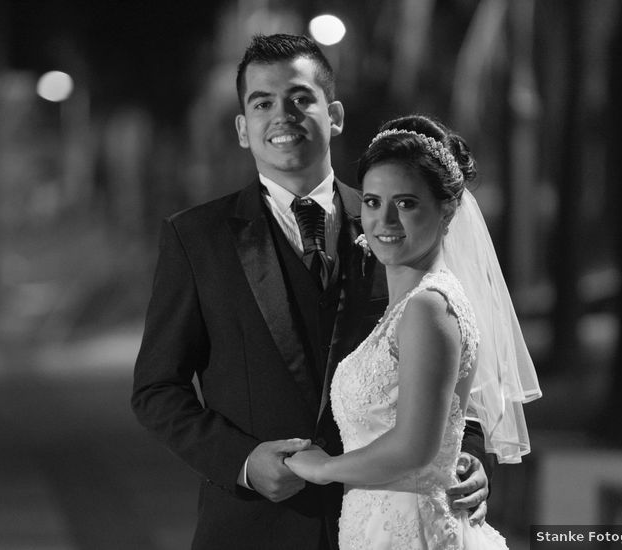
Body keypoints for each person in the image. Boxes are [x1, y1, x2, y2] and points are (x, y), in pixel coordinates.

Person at [131, 35, 492, 550]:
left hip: (387, 523)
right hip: (252, 527)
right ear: (242, 128)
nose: (283, 116)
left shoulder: (397, 223)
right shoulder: (196, 240)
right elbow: (156, 389)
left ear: (335, 114)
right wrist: (243, 463)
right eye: (262, 103)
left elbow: (456, 365)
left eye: (301, 99)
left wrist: (470, 452)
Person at [284, 114, 542, 549]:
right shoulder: (409, 300)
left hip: (411, 530)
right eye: (371, 202)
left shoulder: (430, 307)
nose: (384, 220)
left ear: (447, 211)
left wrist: (321, 468)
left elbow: (416, 447)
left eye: (405, 204)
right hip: (370, 525)